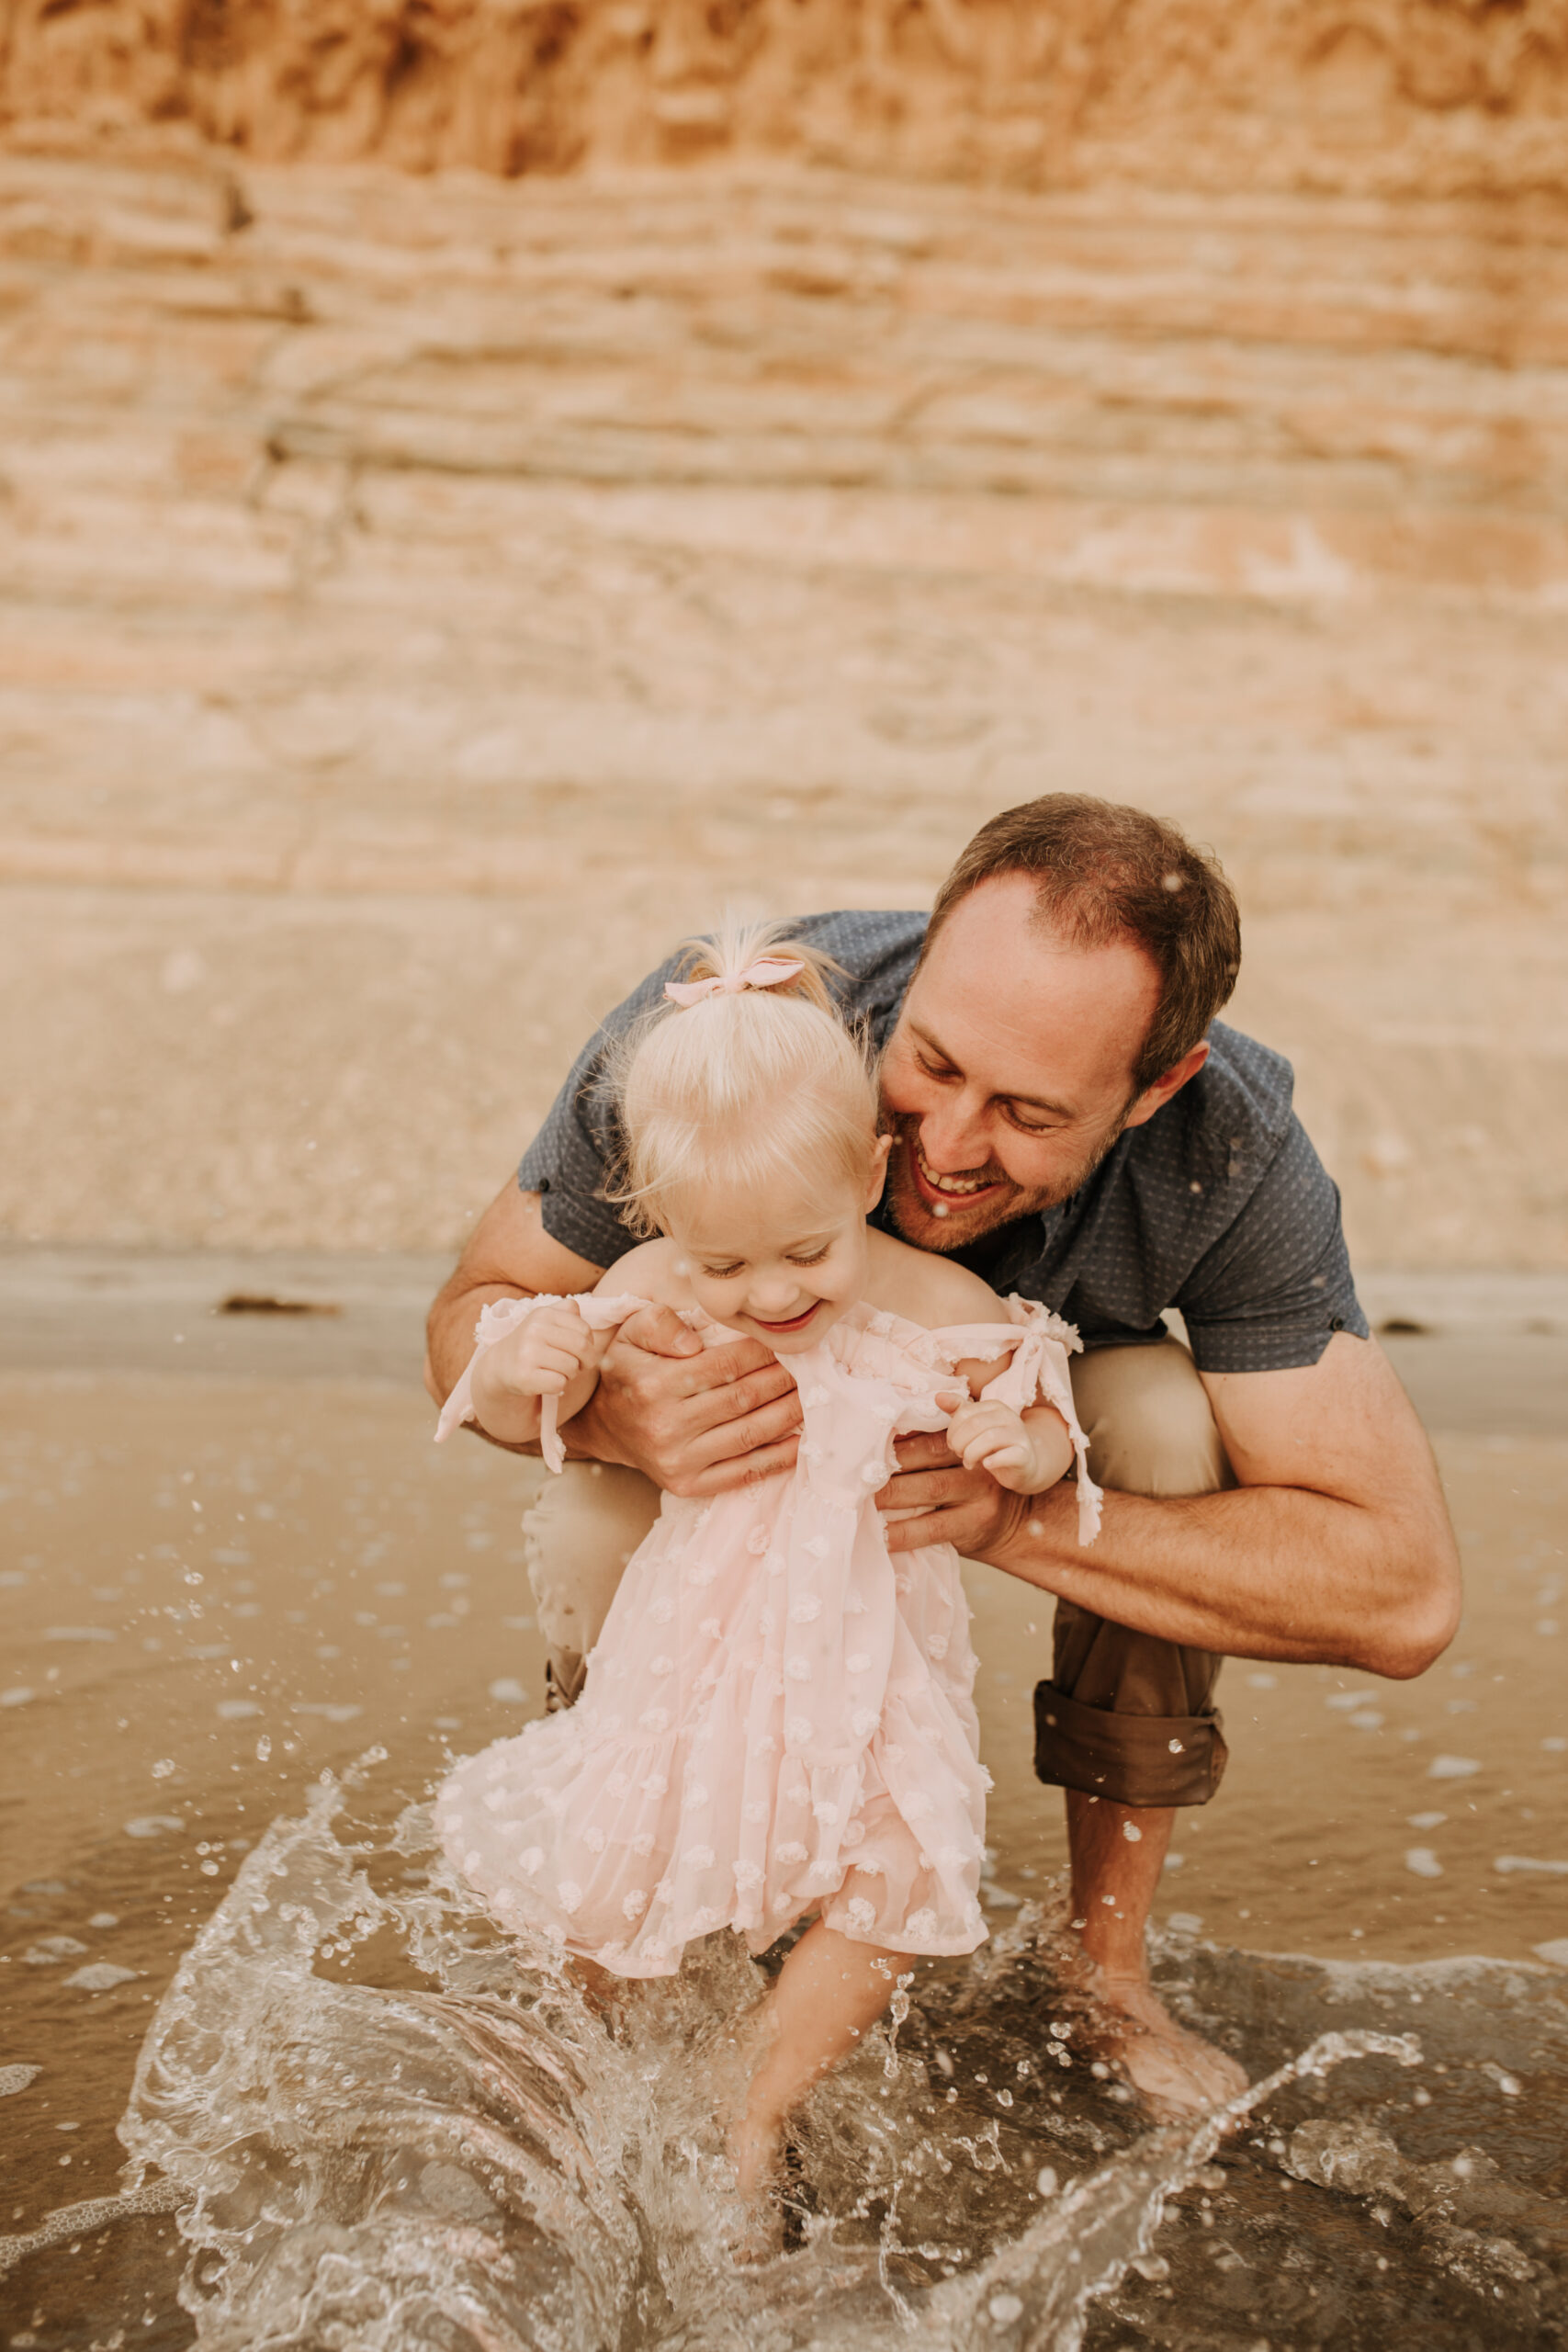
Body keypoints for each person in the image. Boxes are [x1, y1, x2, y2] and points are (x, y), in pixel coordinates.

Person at [426, 795, 1462, 2113]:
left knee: (1155, 1420)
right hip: (745, 1446)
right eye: (931, 1064)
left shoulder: (1233, 1150)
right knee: (588, 1524)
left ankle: (1102, 1973)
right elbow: (470, 1318)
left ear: (1157, 1090)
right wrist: (614, 1410)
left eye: (1031, 1113)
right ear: (917, 969)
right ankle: (633, 1902)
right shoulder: (732, 1039)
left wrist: (1001, 1516)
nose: (950, 1148)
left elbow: (1402, 1593)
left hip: (1005, 1419)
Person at [431, 925, 1101, 2212]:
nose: (768, 1292)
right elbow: (528, 1345)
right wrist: (544, 1367)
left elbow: (1049, 1413)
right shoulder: (651, 1279)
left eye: (803, 1252)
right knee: (626, 1852)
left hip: (871, 1656)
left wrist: (1012, 1446)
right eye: (720, 1262)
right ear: (659, 1222)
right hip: (696, 1641)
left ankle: (759, 2097)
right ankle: (583, 2072)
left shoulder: (938, 1303)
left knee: (896, 1875)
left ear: (867, 1174)